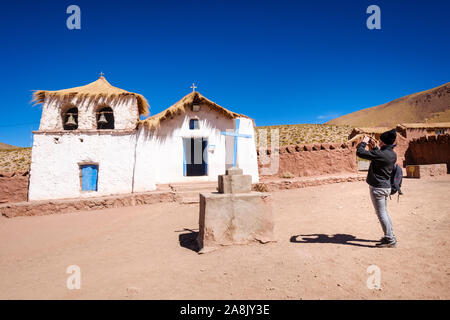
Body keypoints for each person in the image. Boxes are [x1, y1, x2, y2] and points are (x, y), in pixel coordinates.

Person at [356, 129, 398, 248]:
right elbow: (379, 158)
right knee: (384, 212)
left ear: (383, 142)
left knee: (381, 214)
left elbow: (360, 153)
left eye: (380, 140)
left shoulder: (380, 154)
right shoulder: (392, 154)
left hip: (378, 188)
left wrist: (364, 142)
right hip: (386, 187)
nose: (378, 141)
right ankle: (391, 236)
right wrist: (374, 148)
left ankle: (390, 240)